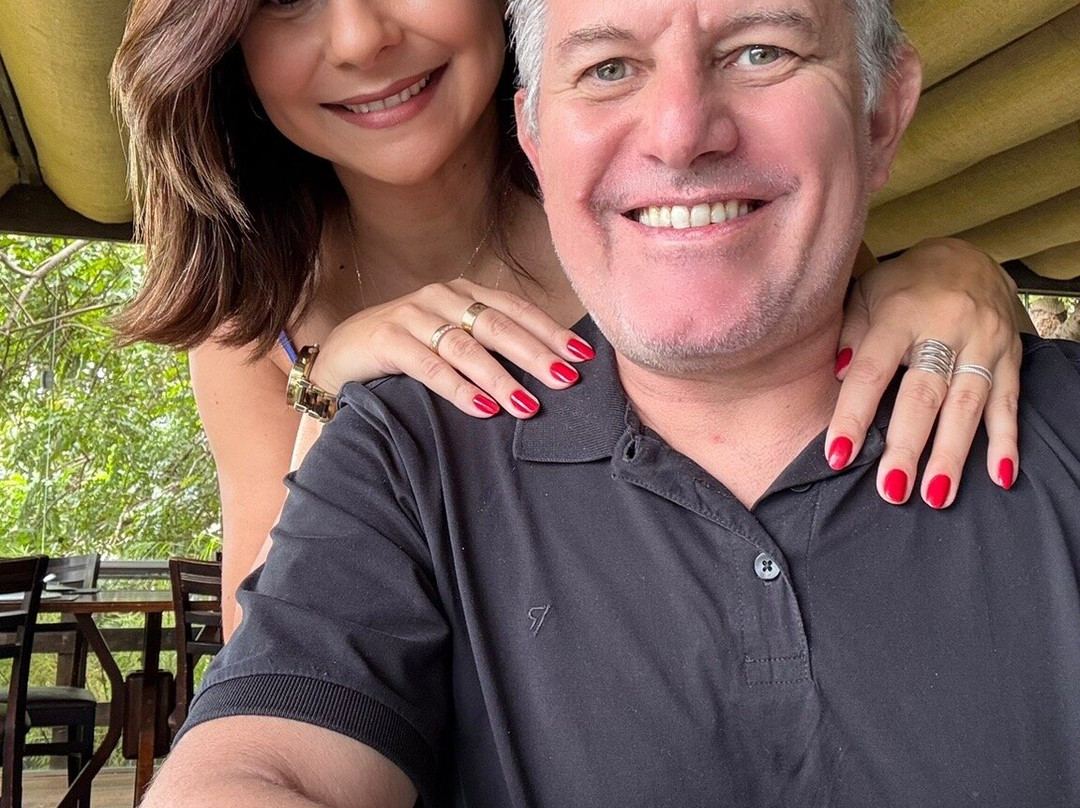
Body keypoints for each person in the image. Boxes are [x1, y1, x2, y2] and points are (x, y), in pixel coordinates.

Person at [143, 0, 1080, 805]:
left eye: (761, 52)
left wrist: (960, 272)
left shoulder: (703, 224)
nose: (359, 39)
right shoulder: (266, 317)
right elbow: (276, 663)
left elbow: (814, 296)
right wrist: (329, 396)